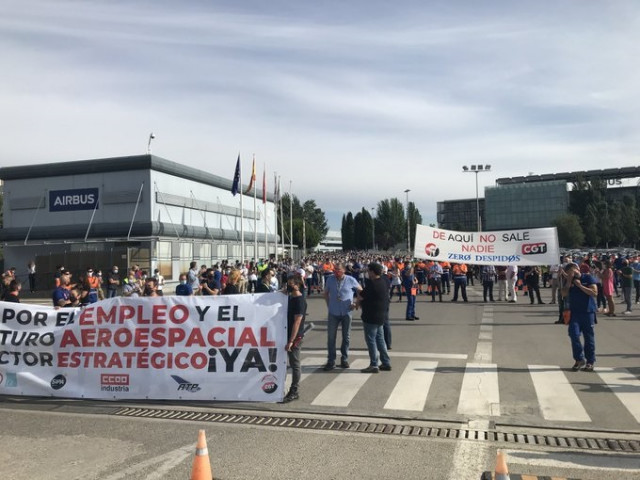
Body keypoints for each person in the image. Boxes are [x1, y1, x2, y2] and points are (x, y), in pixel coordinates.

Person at [322, 262, 362, 370]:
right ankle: (331, 360)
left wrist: (356, 303)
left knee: (346, 337)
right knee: (331, 337)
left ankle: (344, 359)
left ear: (344, 270)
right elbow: (325, 293)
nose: (336, 272)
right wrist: (329, 305)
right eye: (335, 270)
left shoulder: (350, 279)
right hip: (333, 312)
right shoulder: (330, 279)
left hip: (346, 312)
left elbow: (361, 291)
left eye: (338, 270)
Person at [356, 262, 391, 373]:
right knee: (380, 339)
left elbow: (361, 296)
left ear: (372, 271)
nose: (367, 273)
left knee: (371, 340)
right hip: (381, 315)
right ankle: (385, 362)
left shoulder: (372, 284)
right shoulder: (384, 281)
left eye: (368, 271)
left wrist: (357, 302)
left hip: (371, 316)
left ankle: (374, 364)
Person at [562, 262, 597, 372]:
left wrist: (580, 285)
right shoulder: (569, 281)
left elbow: (594, 293)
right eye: (569, 273)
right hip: (575, 313)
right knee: (574, 334)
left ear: (578, 269)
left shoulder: (588, 277)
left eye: (573, 271)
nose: (572, 274)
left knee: (588, 337)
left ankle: (590, 361)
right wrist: (568, 281)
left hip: (588, 312)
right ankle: (579, 359)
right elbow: (563, 294)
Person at [282, 275, 306, 403]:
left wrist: (291, 341)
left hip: (295, 337)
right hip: (286, 334)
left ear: (297, 285)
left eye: (291, 284)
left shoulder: (300, 301)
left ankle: (294, 390)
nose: (289, 286)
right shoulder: (291, 298)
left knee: (295, 364)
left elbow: (297, 322)